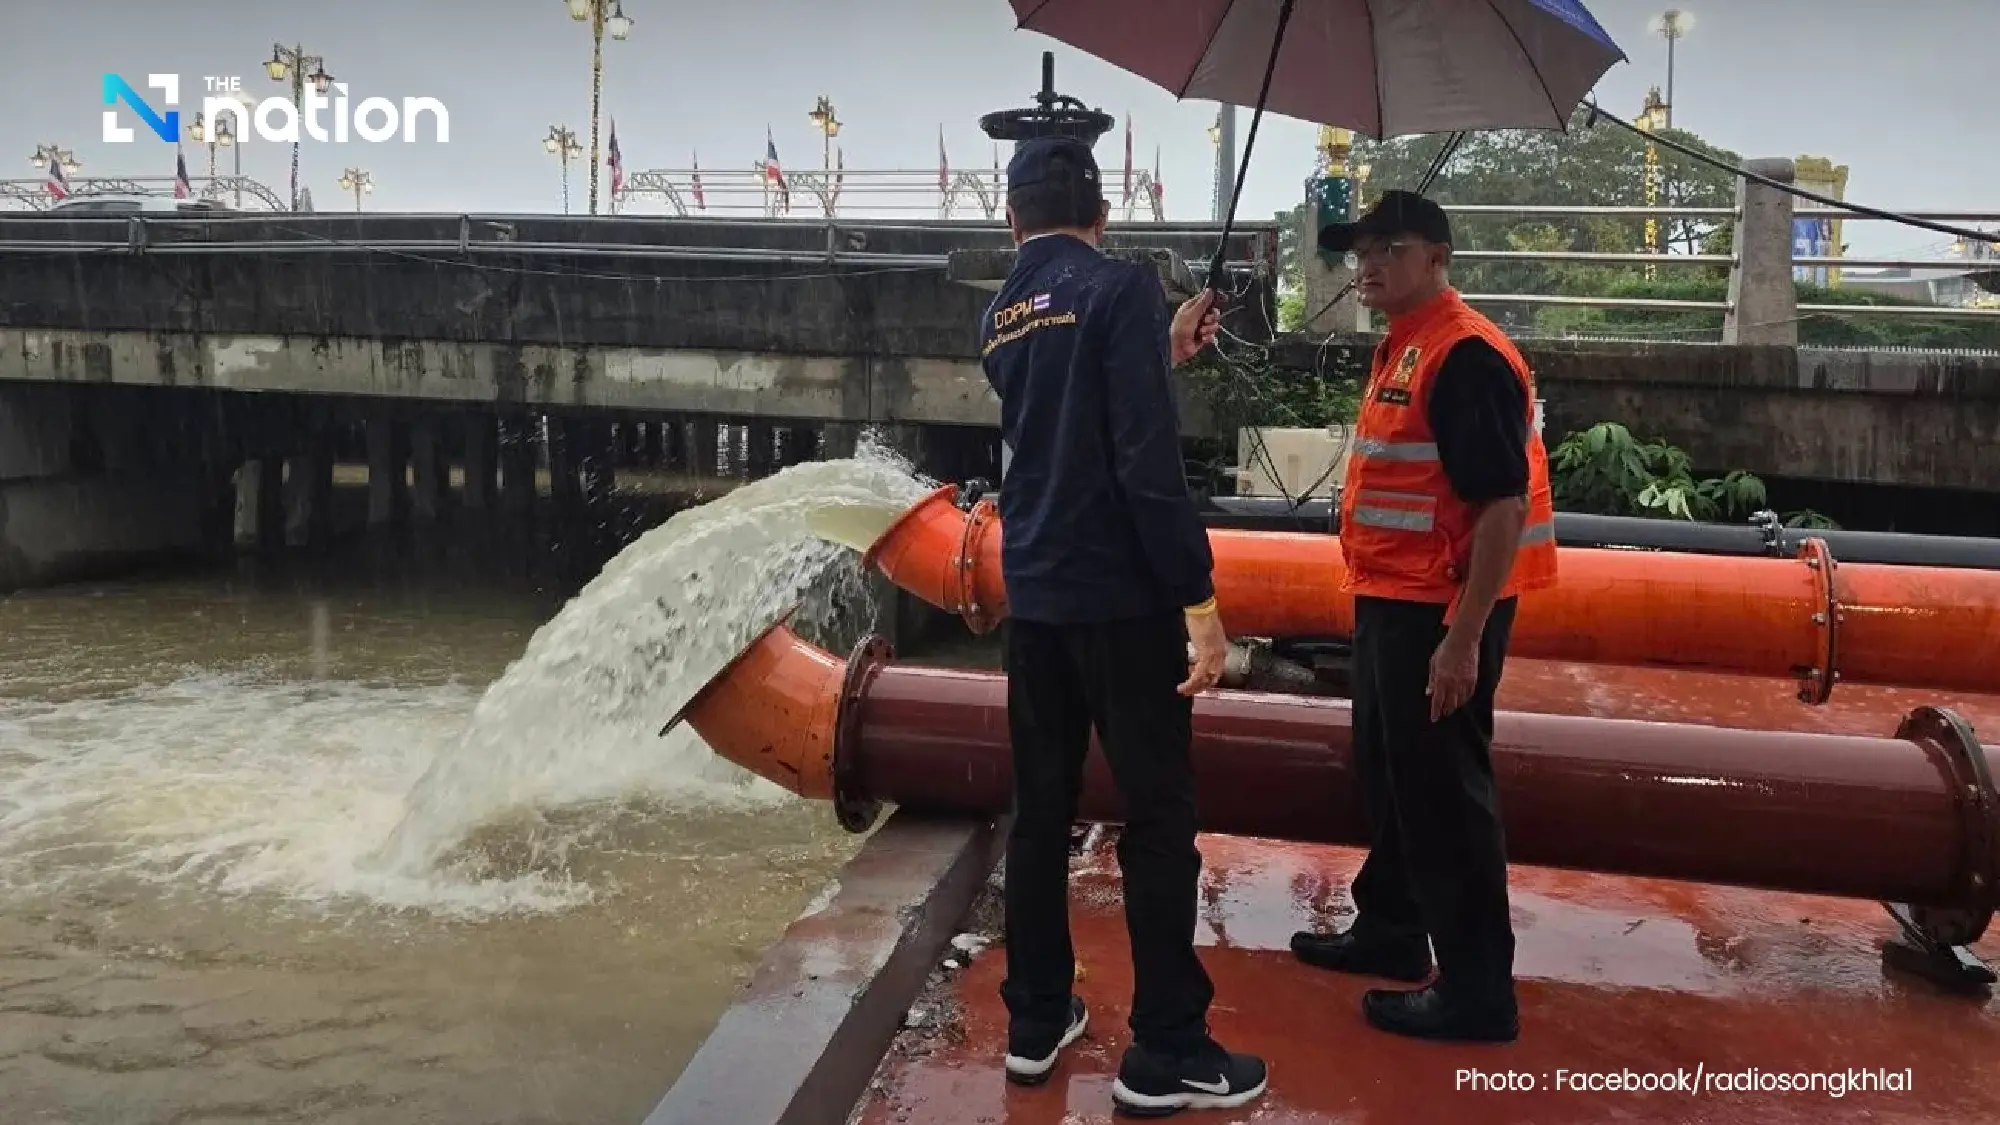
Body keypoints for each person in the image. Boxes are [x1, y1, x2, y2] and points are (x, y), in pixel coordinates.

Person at [978, 134, 1268, 1117]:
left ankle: (1033, 1022)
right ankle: (1166, 1049)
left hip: (1036, 601)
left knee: (1041, 811)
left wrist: (1155, 347)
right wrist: (1198, 602)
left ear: (1011, 217)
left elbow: (1067, 415)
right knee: (1156, 819)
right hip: (1123, 604)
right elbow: (1141, 462)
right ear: (1101, 216)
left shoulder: (1002, 312)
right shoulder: (1121, 287)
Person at [1288, 190, 1558, 1043]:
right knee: (1394, 773)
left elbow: (1503, 508)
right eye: (1359, 251)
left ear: (1436, 257)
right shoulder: (1405, 347)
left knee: (1445, 794)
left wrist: (1463, 638)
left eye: (1388, 248)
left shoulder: (1465, 355)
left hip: (1438, 611)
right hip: (1392, 601)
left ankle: (1480, 991)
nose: (1366, 264)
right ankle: (1393, 931)